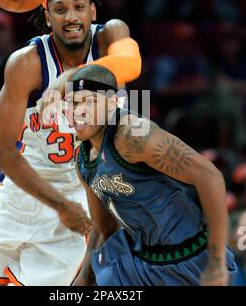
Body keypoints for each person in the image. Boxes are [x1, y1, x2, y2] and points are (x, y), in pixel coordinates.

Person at [0, 0, 142, 286]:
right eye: (60, 9)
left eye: (79, 7)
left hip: (84, 188)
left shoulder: (110, 36)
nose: (71, 16)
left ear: (92, 11)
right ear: (47, 17)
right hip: (25, 188)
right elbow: (1, 150)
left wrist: (71, 79)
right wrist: (59, 205)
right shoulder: (26, 63)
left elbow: (131, 63)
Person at [69, 64, 237, 286]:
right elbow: (103, 229)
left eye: (90, 101)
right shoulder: (82, 157)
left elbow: (210, 176)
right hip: (139, 262)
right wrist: (82, 279)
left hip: (190, 257)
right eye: (73, 103)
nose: (80, 111)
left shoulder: (133, 135)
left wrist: (216, 261)